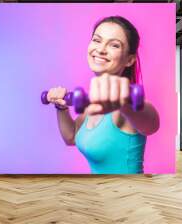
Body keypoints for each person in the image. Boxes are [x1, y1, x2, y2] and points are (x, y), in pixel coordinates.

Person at [46, 16, 160, 174]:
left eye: (114, 45)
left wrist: (124, 101)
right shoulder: (93, 103)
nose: (100, 49)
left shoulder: (129, 103)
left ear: (129, 59)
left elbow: (151, 125)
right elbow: (71, 137)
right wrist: (61, 106)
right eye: (97, 40)